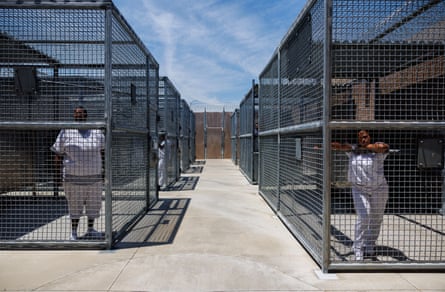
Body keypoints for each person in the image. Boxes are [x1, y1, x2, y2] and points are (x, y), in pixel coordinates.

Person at [331, 130, 389, 261]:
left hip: (379, 189)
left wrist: (364, 147)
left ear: (370, 137)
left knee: (376, 218)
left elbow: (384, 147)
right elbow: (340, 146)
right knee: (364, 217)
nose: (363, 139)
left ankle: (370, 246)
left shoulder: (376, 150)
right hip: (359, 189)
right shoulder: (353, 151)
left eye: (365, 137)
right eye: (360, 138)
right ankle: (358, 248)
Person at [51, 106, 105, 240]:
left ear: (86, 115)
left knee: (93, 205)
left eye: (80, 113)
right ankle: (74, 233)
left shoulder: (96, 132)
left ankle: (91, 229)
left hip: (94, 177)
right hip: (72, 178)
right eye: (75, 113)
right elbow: (58, 153)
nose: (78, 115)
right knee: (74, 206)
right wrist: (57, 176)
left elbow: (103, 152)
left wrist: (104, 171)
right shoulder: (66, 131)